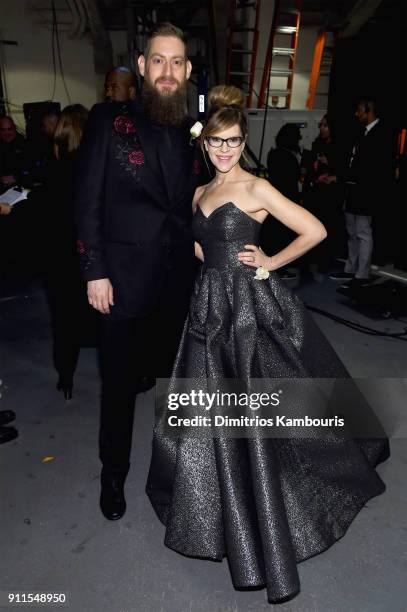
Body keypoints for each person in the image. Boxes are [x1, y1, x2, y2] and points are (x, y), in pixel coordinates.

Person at [146, 85, 390, 604]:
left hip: (250, 314)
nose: (225, 151)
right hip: (208, 313)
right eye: (217, 142)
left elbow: (316, 230)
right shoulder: (197, 194)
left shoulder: (257, 189)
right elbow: (199, 243)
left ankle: (282, 505)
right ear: (205, 144)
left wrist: (270, 264)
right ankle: (221, 511)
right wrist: (212, 265)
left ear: (242, 142)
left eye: (234, 141)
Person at [75, 23, 202, 520]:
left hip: (176, 286)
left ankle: (175, 473)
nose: (167, 71)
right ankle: (114, 474)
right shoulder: (109, 120)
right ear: (143, 65)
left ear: (188, 71)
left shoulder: (193, 132)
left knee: (175, 387)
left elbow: (191, 206)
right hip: (121, 281)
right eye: (159, 61)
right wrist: (94, 270)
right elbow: (86, 202)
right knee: (120, 388)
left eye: (177, 63)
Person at [44, 104, 91, 400]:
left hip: (58, 258)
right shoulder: (92, 171)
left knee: (63, 321)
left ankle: (66, 376)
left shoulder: (52, 171)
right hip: (88, 256)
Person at [330, 96, 397, 288]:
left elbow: (379, 169)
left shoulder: (382, 134)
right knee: (352, 232)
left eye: (360, 110)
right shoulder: (363, 133)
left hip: (366, 193)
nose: (357, 113)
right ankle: (350, 269)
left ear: (369, 111)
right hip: (353, 191)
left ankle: (362, 274)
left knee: (363, 233)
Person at [302, 114, 346, 272]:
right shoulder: (317, 143)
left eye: (325, 125)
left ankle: (326, 258)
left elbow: (344, 170)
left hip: (331, 194)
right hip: (316, 192)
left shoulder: (339, 146)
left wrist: (330, 165)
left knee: (329, 224)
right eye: (320, 125)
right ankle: (313, 256)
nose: (321, 128)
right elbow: (310, 167)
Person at [261, 123, 303, 280]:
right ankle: (280, 268)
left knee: (274, 234)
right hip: (286, 199)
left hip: (274, 199)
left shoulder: (273, 154)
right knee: (282, 234)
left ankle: (274, 266)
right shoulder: (288, 156)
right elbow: (292, 179)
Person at [0, 116, 31, 192]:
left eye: (9, 129)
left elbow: (33, 170)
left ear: (14, 128)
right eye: (3, 130)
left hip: (21, 187)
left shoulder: (25, 145)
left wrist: (16, 177)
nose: (7, 133)